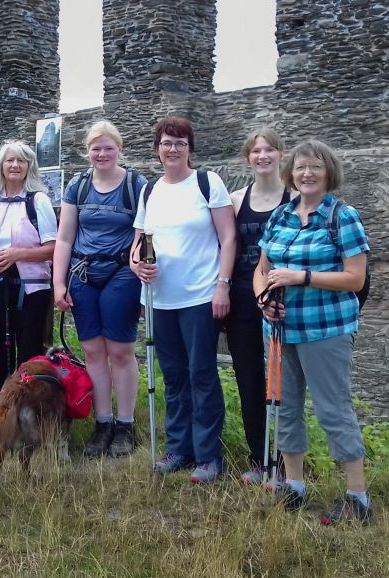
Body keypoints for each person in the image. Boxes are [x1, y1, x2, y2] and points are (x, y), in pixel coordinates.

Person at [255, 139, 371, 525]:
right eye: (301, 167)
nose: (307, 174)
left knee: (333, 410)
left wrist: (301, 277)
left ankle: (358, 498)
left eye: (315, 167)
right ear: (291, 173)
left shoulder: (343, 216)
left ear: (328, 173)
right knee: (285, 408)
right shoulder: (281, 215)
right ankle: (294, 487)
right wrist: (263, 299)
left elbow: (355, 278)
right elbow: (262, 269)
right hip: (279, 329)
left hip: (326, 329)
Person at [131, 116, 236, 484]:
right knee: (174, 376)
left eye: (179, 142)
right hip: (160, 300)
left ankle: (208, 456)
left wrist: (222, 285)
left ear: (190, 148)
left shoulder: (207, 183)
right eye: (166, 142)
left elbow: (229, 237)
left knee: (202, 374)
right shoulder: (149, 191)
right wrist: (136, 266)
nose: (172, 149)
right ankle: (179, 449)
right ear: (156, 149)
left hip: (199, 297)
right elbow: (141, 243)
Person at [52, 121, 145, 458]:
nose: (102, 154)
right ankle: (102, 422)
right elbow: (64, 237)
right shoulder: (78, 186)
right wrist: (58, 283)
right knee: (92, 351)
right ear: (87, 152)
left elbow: (144, 234)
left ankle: (125, 424)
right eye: (96, 148)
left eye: (108, 147)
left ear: (119, 149)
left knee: (120, 351)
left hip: (123, 271)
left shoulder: (135, 184)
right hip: (83, 272)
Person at [225, 128, 292, 484]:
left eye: (269, 150)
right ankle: (258, 458)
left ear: (281, 155)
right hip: (242, 298)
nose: (263, 156)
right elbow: (226, 247)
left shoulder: (294, 198)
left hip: (283, 299)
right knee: (249, 379)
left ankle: (285, 463)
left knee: (284, 382)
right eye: (256, 150)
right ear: (247, 157)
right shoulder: (237, 200)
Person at [0, 140, 57, 404]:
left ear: (29, 166)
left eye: (21, 160)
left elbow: (53, 247)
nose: (15, 165)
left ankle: (31, 410)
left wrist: (17, 254)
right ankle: (3, 410)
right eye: (10, 160)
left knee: (29, 352)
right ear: (1, 166)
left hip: (31, 291)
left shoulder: (38, 201)